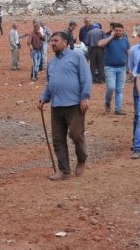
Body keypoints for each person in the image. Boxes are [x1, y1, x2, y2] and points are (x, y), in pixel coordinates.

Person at [38, 32, 92, 180]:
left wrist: (85, 97)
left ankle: (82, 157)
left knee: (75, 134)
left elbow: (86, 78)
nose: (52, 43)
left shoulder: (77, 57)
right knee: (58, 139)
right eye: (51, 41)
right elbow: (50, 82)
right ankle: (64, 171)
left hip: (74, 104)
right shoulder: (52, 62)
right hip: (56, 105)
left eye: (56, 40)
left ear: (65, 42)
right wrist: (44, 97)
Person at [98, 23, 131, 114]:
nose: (118, 32)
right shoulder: (108, 39)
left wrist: (128, 66)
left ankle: (118, 109)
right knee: (111, 87)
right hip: (110, 68)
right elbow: (100, 44)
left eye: (120, 30)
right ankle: (107, 102)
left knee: (120, 89)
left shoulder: (125, 41)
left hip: (122, 68)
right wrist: (110, 37)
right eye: (116, 30)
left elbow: (128, 54)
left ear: (123, 31)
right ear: (113, 31)